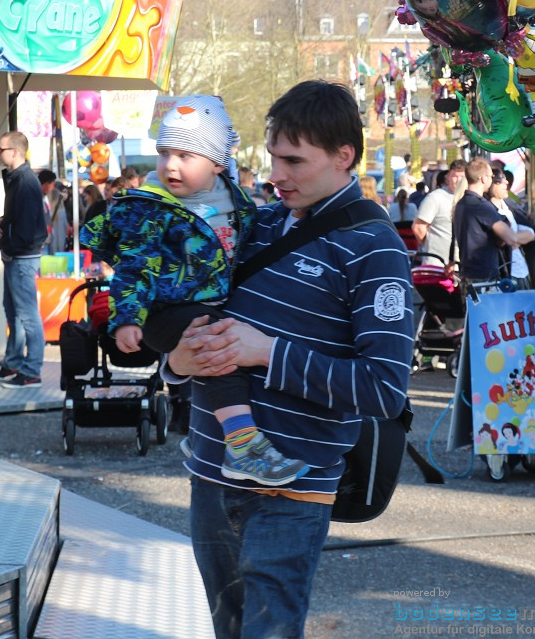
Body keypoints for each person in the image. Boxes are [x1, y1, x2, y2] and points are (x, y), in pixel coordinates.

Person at [165, 81, 414, 638]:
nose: (276, 173)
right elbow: (195, 317)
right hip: (209, 474)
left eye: (294, 160)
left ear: (343, 156)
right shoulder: (258, 226)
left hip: (290, 491)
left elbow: (383, 389)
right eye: (273, 156)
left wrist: (266, 352)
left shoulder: (374, 246)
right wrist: (178, 360)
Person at [81, 95, 307, 487]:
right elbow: (135, 267)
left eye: (186, 156)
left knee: (229, 347)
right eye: (165, 153)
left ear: (218, 164)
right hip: (165, 309)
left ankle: (208, 437)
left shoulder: (233, 199)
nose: (170, 165)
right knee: (218, 342)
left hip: (209, 304)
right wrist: (128, 319)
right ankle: (242, 446)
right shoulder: (150, 207)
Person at [0, 131, 46, 388]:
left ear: (14, 151)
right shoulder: (19, 179)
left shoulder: (24, 181)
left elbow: (26, 228)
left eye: (1, 149)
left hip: (22, 256)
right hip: (19, 255)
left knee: (25, 315)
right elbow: (20, 220)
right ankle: (14, 362)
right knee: (14, 312)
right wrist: (3, 223)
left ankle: (31, 369)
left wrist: (9, 247)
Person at [453, 159, 529, 284]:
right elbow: (511, 238)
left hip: (467, 274)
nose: (491, 179)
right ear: (483, 178)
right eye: (491, 176)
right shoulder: (482, 206)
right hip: (484, 277)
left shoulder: (461, 204)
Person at [413, 159, 466, 266]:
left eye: (462, 177)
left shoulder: (470, 198)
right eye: (455, 176)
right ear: (448, 177)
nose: (458, 180)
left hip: (462, 265)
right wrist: (431, 246)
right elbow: (418, 227)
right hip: (437, 265)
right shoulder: (435, 198)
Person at [489, 167, 535, 288]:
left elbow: (530, 233)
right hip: (502, 274)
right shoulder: (486, 209)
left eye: (505, 179)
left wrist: (513, 238)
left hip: (522, 271)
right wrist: (513, 239)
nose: (506, 182)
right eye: (499, 180)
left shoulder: (510, 204)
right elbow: (499, 241)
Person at [38, 169, 67, 255]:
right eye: (53, 184)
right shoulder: (38, 198)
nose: (54, 187)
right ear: (47, 184)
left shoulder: (44, 197)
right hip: (40, 242)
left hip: (46, 240)